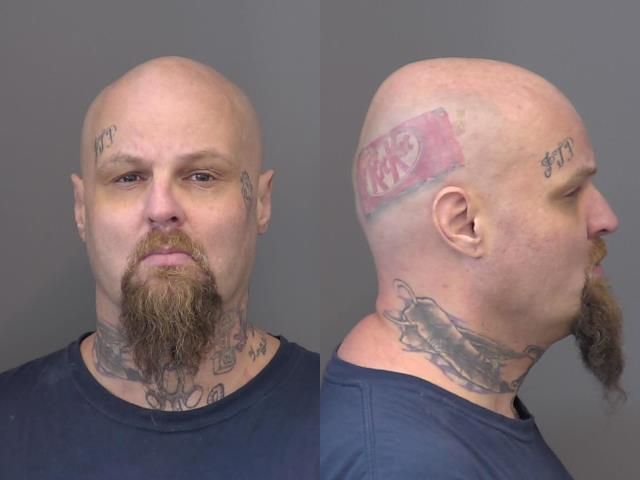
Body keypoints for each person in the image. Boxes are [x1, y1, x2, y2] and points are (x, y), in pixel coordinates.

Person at [0, 56, 318, 479]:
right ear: (81, 208)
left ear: (260, 202)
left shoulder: (339, 418)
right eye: (128, 177)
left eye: (202, 176)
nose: (162, 208)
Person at [320, 58, 624, 479]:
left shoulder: (456, 417)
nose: (606, 219)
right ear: (464, 224)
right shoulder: (407, 466)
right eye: (570, 192)